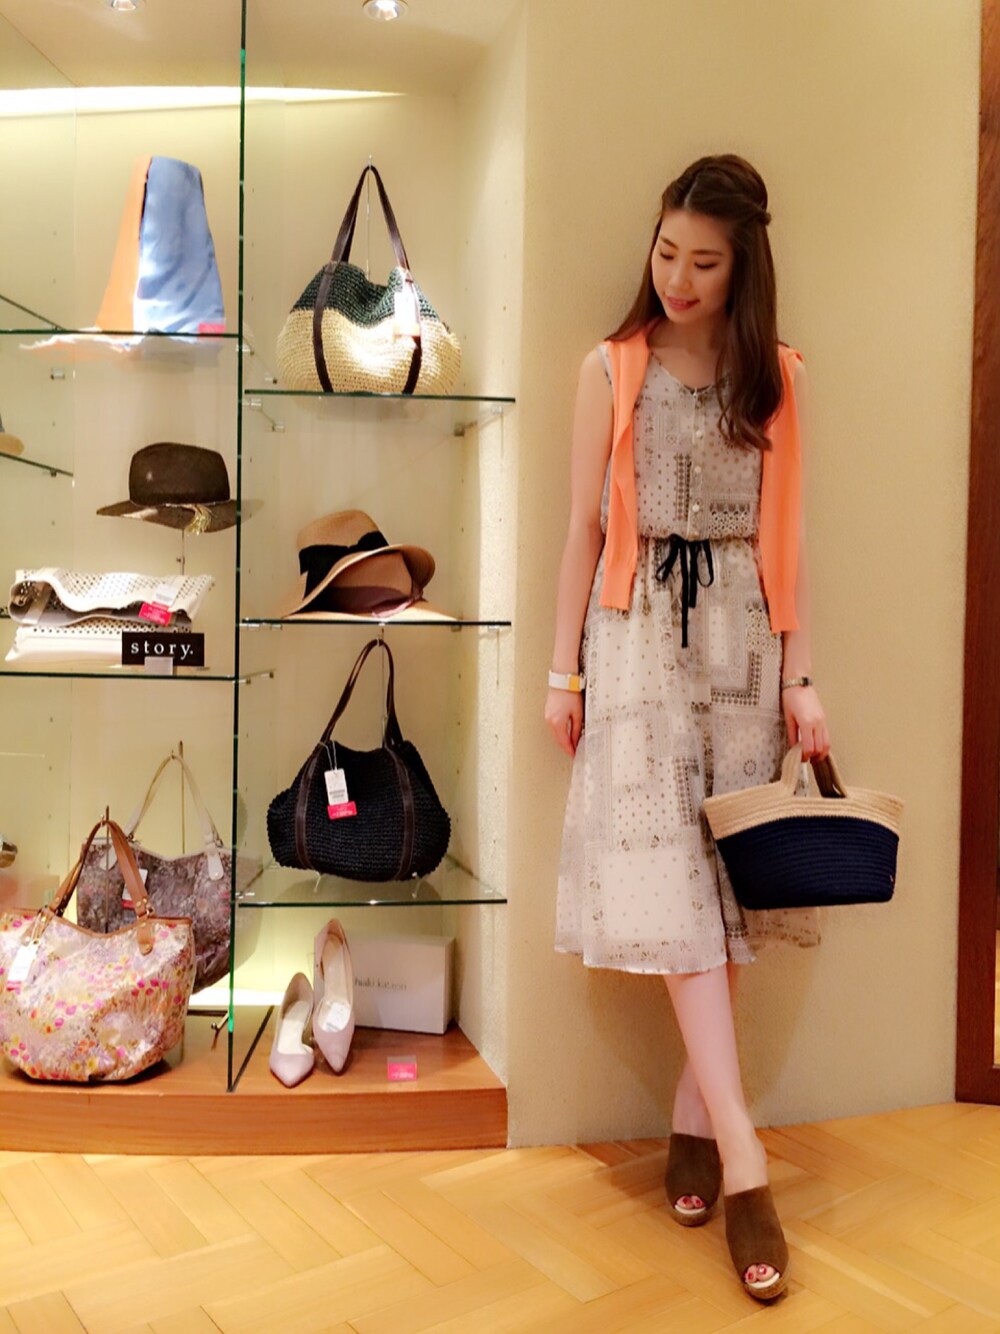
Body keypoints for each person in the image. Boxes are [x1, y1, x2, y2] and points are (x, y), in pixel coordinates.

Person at [545, 154, 829, 1303]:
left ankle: (692, 1117)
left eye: (704, 262)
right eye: (666, 252)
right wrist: (559, 671)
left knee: (724, 884)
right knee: (668, 877)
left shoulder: (778, 378)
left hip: (742, 645)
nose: (677, 277)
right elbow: (580, 529)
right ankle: (745, 1151)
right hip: (632, 641)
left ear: (741, 266)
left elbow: (787, 537)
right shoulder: (610, 368)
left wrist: (801, 677)